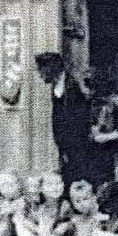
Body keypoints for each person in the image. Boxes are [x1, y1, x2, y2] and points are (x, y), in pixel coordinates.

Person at [36, 51, 95, 186]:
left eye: (41, 70)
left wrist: (69, 146)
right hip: (66, 145)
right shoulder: (57, 85)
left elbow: (79, 121)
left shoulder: (72, 87)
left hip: (77, 146)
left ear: (51, 68)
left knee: (76, 178)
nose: (40, 74)